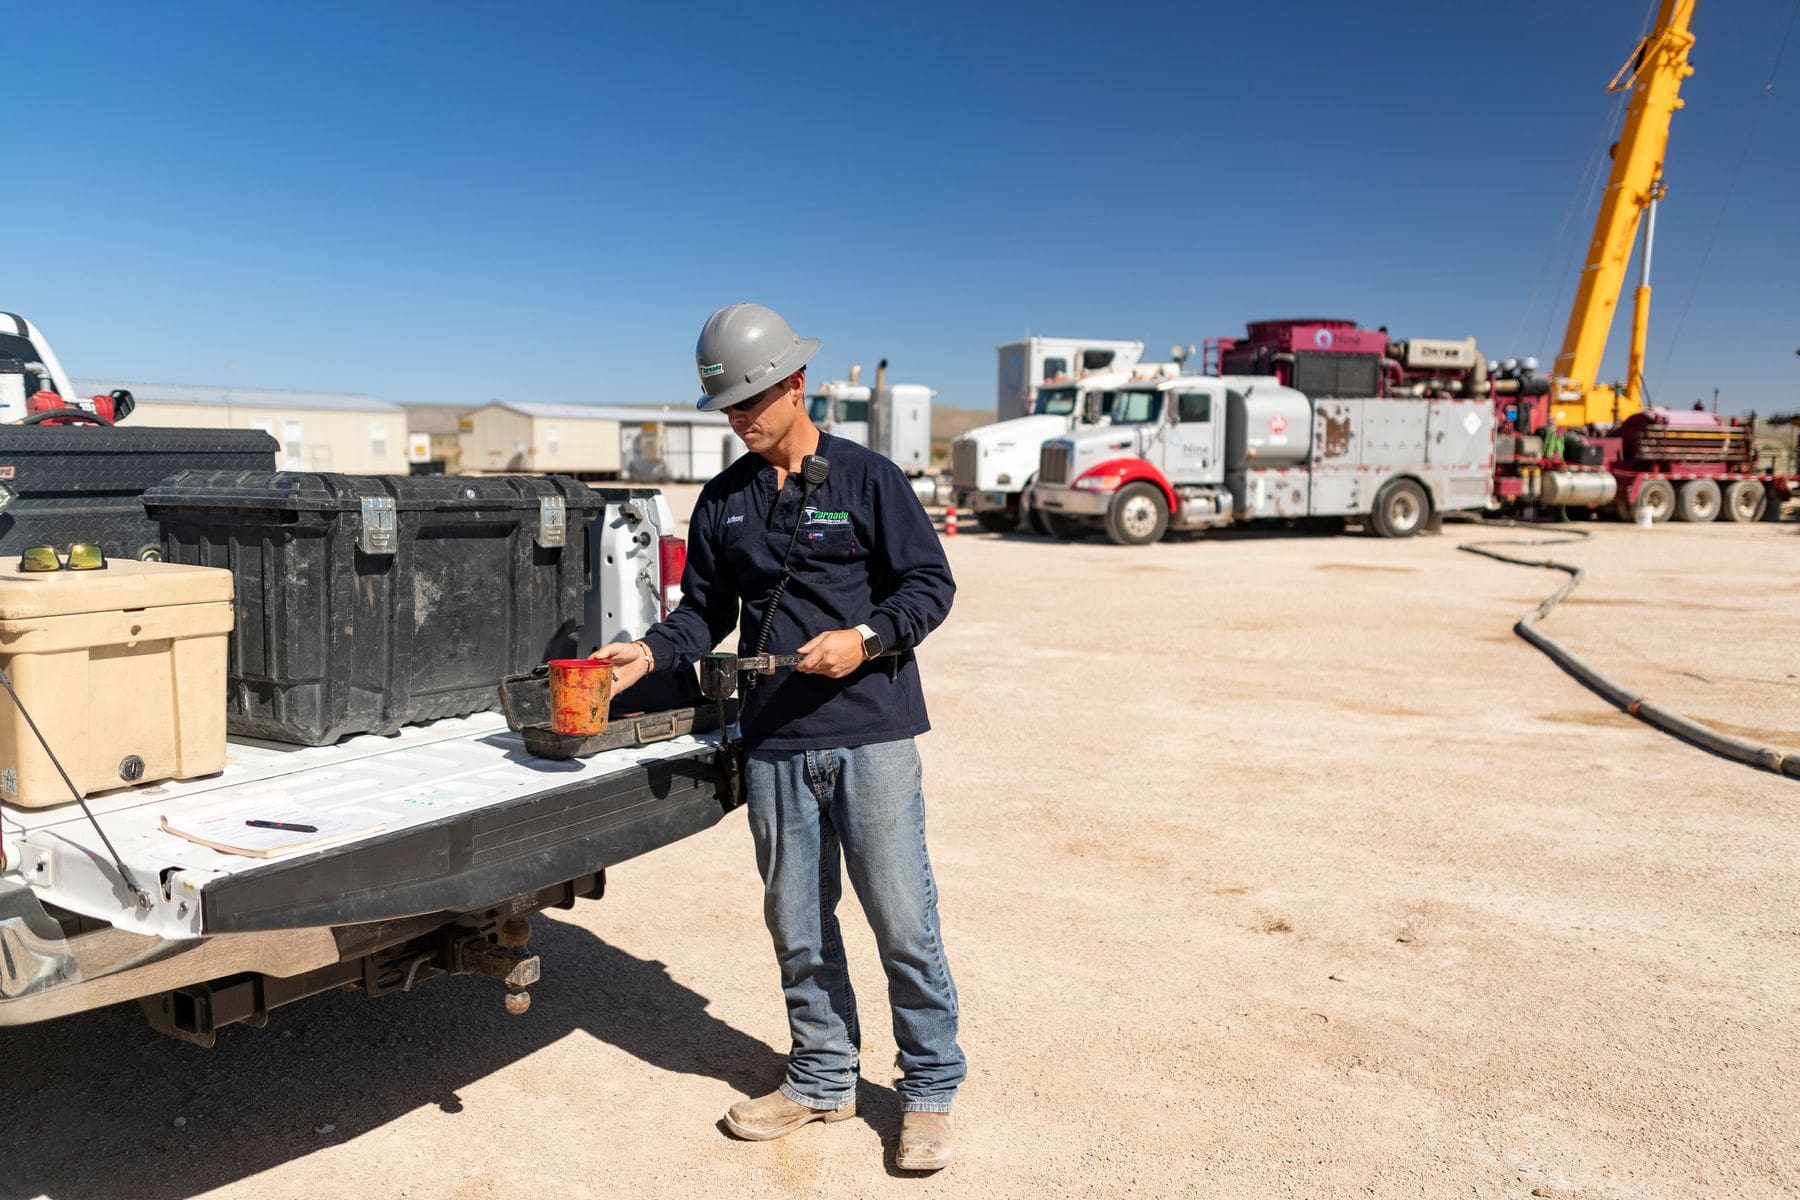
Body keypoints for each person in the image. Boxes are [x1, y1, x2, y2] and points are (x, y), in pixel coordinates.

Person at [591, 302, 964, 1171]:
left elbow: (928, 586)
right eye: (729, 408)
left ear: (798, 385)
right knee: (798, 924)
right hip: (773, 746)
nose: (743, 419)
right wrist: (643, 652)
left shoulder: (869, 480)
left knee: (903, 919)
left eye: (756, 399)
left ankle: (931, 1087)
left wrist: (867, 640)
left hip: (870, 734)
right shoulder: (724, 501)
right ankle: (823, 1076)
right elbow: (702, 615)